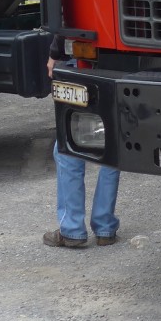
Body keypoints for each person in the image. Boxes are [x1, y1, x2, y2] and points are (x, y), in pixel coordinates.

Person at [42, 37, 121, 248]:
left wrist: (54, 53)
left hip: (81, 58)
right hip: (120, 61)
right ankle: (105, 227)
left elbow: (65, 14)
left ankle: (72, 229)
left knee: (67, 145)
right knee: (113, 142)